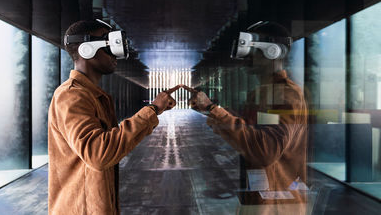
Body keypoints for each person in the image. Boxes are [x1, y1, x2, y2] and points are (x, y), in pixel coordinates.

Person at [48, 20, 180, 215]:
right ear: (87, 50)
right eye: (109, 47)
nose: (115, 55)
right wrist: (151, 110)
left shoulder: (92, 95)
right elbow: (98, 154)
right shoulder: (71, 95)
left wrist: (155, 110)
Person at [183, 21, 308, 208]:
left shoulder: (286, 95)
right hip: (261, 197)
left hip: (279, 203)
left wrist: (213, 110)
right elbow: (250, 133)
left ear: (272, 52)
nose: (246, 58)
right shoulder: (261, 94)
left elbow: (266, 151)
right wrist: (212, 110)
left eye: (252, 51)